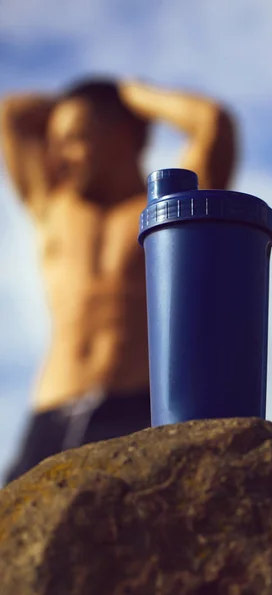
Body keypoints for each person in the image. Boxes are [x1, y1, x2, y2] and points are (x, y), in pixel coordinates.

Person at [0, 77, 237, 484]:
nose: (57, 157)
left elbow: (211, 121)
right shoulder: (51, 205)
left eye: (75, 138)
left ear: (122, 136)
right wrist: (72, 103)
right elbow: (10, 115)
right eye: (54, 142)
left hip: (134, 410)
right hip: (49, 414)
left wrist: (128, 95)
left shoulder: (169, 211)